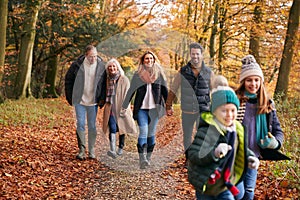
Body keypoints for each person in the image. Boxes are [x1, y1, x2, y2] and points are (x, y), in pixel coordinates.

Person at [186, 84, 260, 200]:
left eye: (232, 110)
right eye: (224, 111)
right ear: (214, 111)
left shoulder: (236, 128)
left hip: (225, 184)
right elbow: (194, 154)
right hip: (208, 183)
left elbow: (241, 148)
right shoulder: (208, 130)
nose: (229, 115)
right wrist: (214, 153)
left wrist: (250, 157)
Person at [235, 55, 285, 200]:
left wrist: (275, 142)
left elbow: (278, 130)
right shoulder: (235, 100)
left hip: (254, 156)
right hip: (236, 155)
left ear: (261, 82)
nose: (253, 83)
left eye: (256, 80)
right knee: (238, 193)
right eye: (249, 80)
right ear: (243, 81)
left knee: (249, 191)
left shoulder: (267, 104)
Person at [122, 51, 168, 169]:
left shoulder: (159, 74)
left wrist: (169, 106)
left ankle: (148, 157)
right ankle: (142, 158)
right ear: (143, 61)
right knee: (143, 131)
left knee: (151, 133)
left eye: (151, 59)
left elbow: (165, 91)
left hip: (155, 110)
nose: (149, 61)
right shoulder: (138, 75)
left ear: (154, 60)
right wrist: (124, 105)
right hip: (141, 109)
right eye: (147, 59)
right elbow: (131, 90)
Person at [166, 42, 214, 152]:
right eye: (193, 54)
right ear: (190, 55)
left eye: (197, 54)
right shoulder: (183, 71)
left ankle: (198, 157)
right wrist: (168, 105)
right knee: (187, 136)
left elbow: (215, 89)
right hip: (187, 110)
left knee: (201, 135)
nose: (195, 56)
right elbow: (173, 88)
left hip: (203, 110)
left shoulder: (208, 72)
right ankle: (188, 158)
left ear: (202, 55)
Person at [65, 45, 106, 160]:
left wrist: (102, 99)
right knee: (81, 124)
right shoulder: (76, 65)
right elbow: (68, 80)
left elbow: (104, 84)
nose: (93, 59)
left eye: (95, 56)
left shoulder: (101, 66)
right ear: (85, 55)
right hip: (80, 100)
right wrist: (70, 97)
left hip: (93, 102)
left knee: (92, 125)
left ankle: (91, 149)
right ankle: (82, 149)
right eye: (91, 56)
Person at [101, 58, 137, 159]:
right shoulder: (107, 79)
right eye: (110, 67)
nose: (112, 68)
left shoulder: (124, 79)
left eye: (114, 66)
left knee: (122, 128)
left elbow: (128, 94)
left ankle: (120, 147)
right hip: (110, 107)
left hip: (121, 106)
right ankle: (112, 150)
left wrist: (125, 107)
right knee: (112, 127)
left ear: (117, 67)